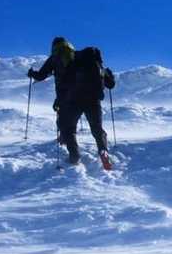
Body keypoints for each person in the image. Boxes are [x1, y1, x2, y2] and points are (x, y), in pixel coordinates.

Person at [27, 37, 116, 165]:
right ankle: (103, 151)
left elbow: (41, 75)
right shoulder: (84, 58)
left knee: (68, 128)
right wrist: (109, 75)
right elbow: (110, 84)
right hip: (93, 99)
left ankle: (74, 156)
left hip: (71, 99)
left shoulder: (55, 58)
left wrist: (32, 73)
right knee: (97, 128)